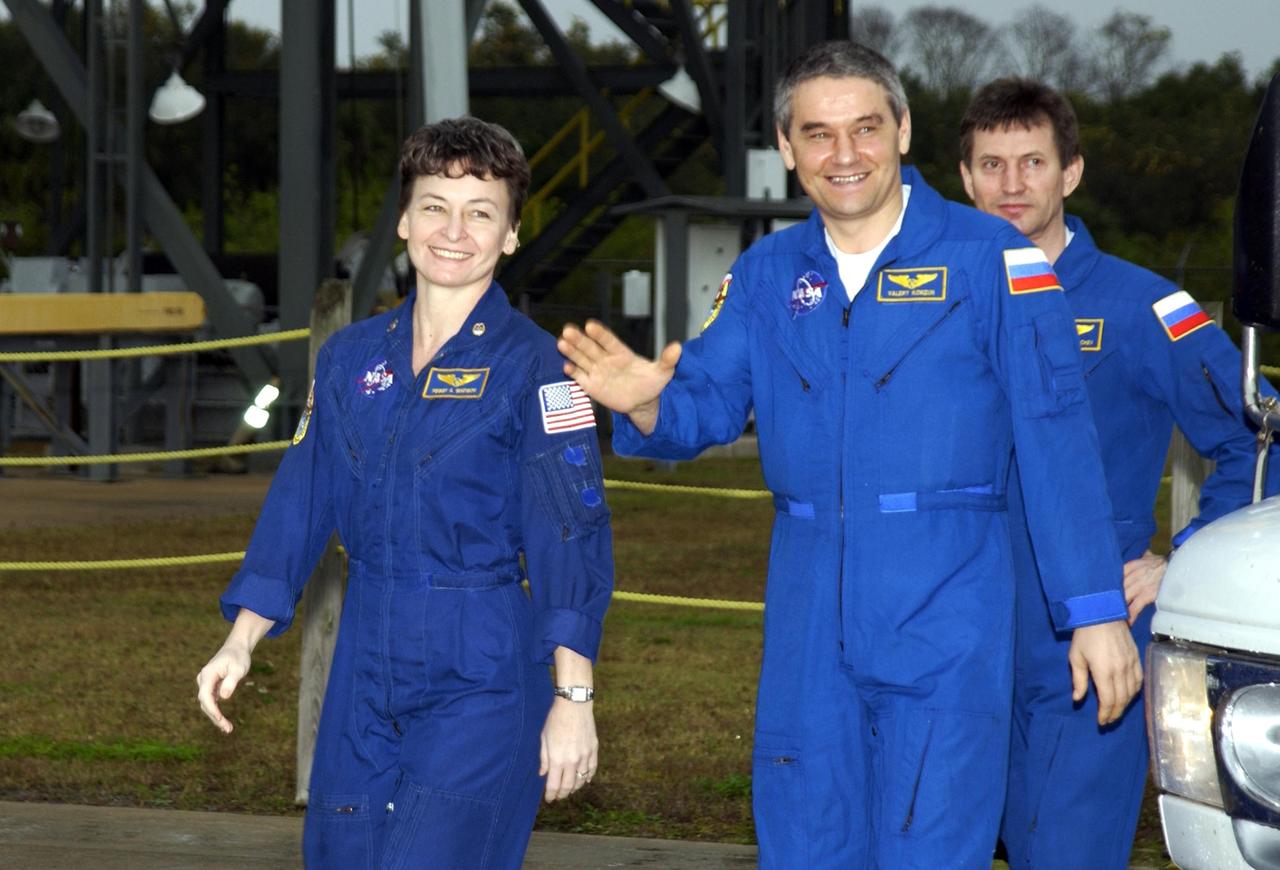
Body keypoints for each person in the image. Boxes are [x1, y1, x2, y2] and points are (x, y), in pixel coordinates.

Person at [559, 41, 1141, 869]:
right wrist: (646, 399)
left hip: (946, 615)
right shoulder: (765, 275)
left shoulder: (993, 261)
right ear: (788, 149)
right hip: (805, 620)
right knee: (804, 844)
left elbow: (1058, 443)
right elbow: (709, 406)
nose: (845, 155)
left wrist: (1094, 611)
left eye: (865, 128)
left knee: (931, 845)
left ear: (902, 131)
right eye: (819, 134)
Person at [195, 117, 613, 869]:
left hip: (481, 664)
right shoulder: (352, 358)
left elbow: (569, 535)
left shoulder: (538, 369)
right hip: (364, 660)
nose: (453, 230)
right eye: (433, 206)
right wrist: (241, 638)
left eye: (481, 212)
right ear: (403, 220)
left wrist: (572, 699)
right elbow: (303, 499)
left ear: (511, 235)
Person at [959, 77, 1280, 870]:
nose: (1011, 184)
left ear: (1070, 173)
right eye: (991, 164)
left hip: (1086, 636)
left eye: (1032, 162)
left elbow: (1265, 437)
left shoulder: (1144, 308)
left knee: (1063, 852)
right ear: (964, 178)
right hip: (955, 631)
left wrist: (1185, 556)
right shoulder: (935, 301)